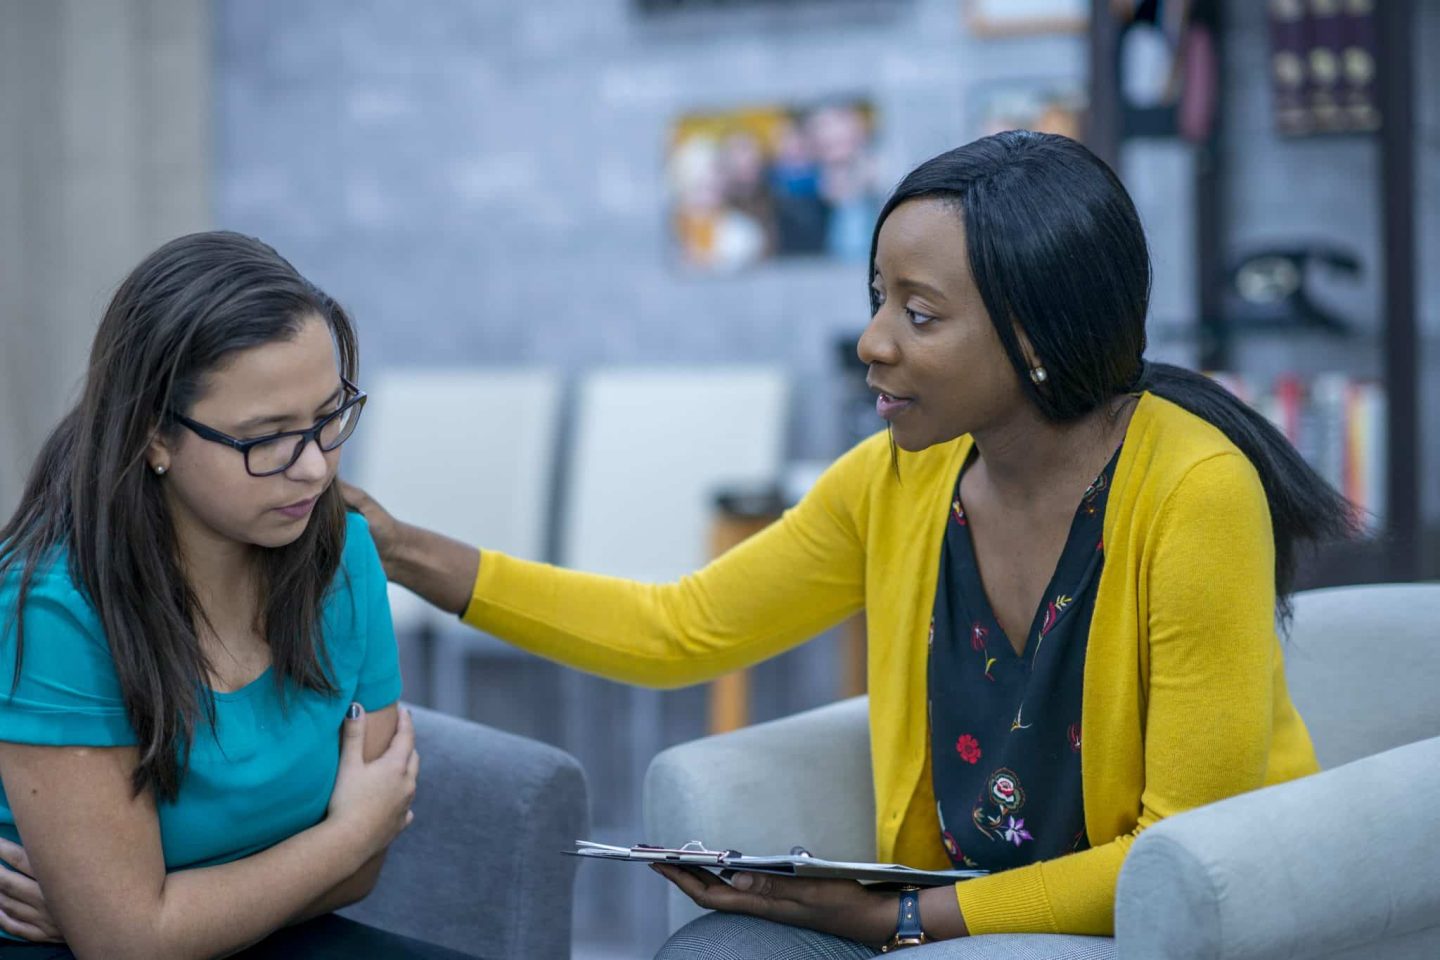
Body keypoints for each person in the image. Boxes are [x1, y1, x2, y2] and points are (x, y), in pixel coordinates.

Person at [344, 132, 1352, 957]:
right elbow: (679, 629)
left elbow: (1181, 856)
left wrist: (901, 918)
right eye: (879, 298)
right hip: (943, 916)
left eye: (919, 314)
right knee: (712, 953)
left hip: (1144, 930)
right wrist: (403, 549)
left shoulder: (1195, 491)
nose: (874, 341)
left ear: (1036, 340)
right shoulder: (901, 475)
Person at [0, 232, 479, 958]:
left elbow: (363, 875)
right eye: (267, 438)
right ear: (154, 437)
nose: (315, 468)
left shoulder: (344, 554)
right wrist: (347, 833)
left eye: (329, 417)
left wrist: (166, 921)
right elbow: (126, 945)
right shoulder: (57, 608)